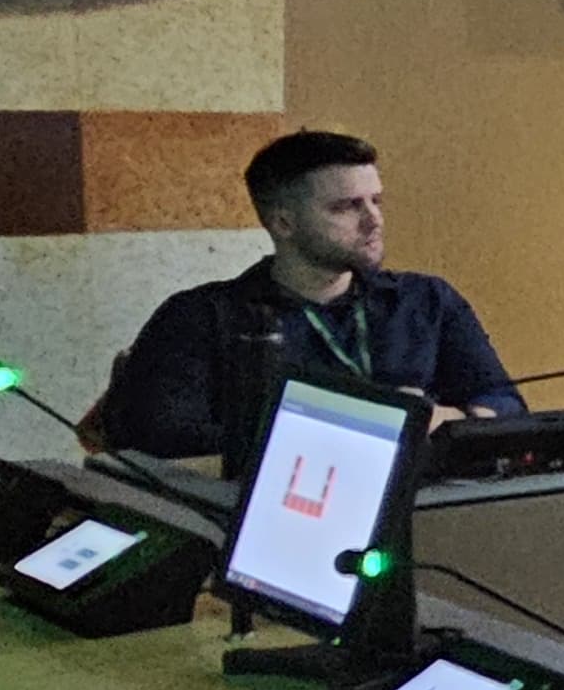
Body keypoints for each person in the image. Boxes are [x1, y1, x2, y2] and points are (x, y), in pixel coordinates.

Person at [92, 130, 523, 458]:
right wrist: (356, 427)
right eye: (347, 207)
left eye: (377, 201)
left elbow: (505, 403)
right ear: (283, 223)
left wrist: (450, 419)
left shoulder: (425, 300)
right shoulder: (202, 317)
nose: (373, 220)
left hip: (425, 506)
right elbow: (159, 437)